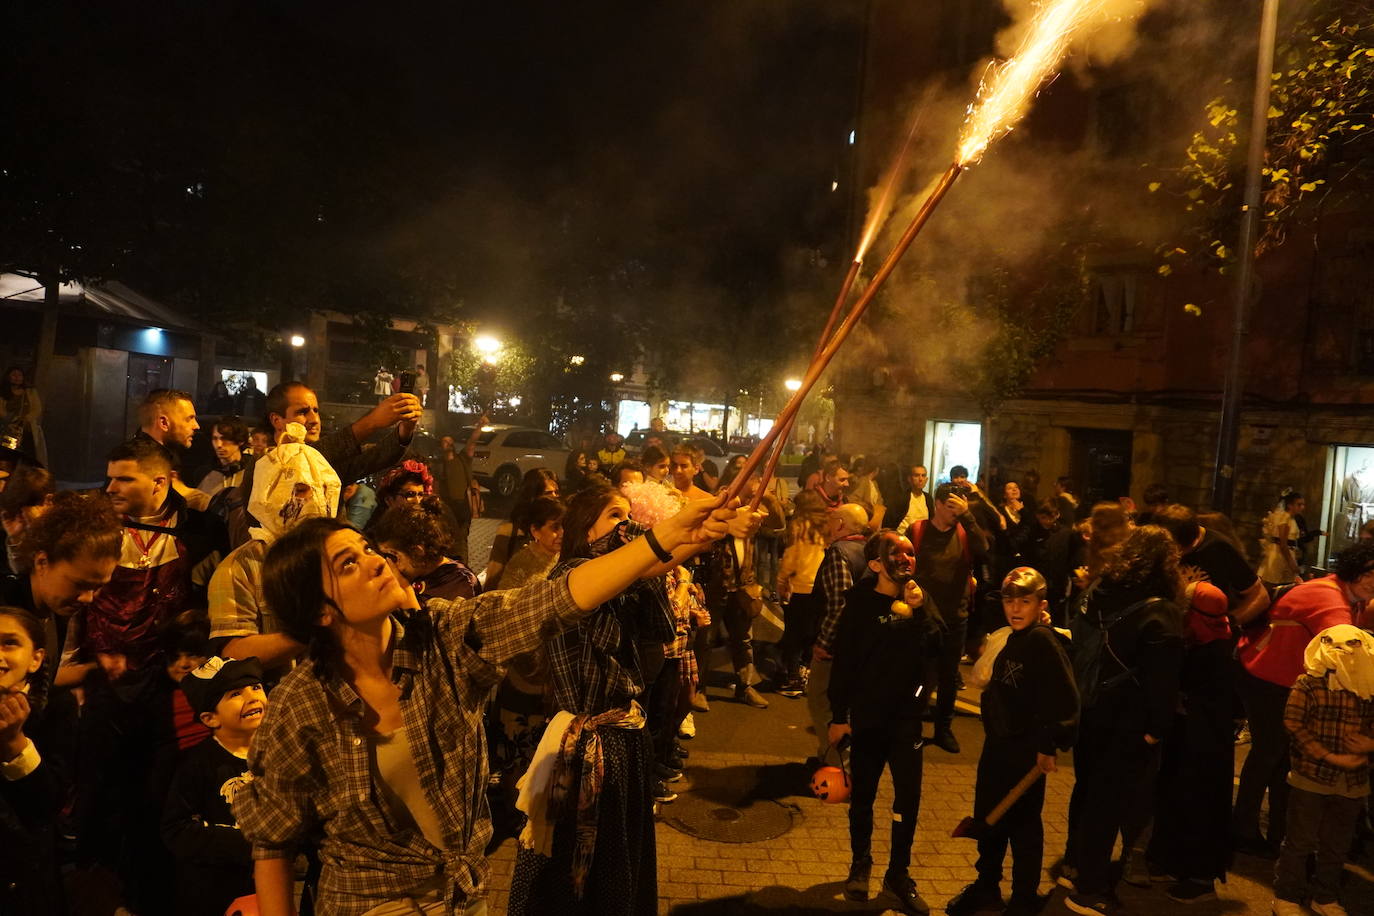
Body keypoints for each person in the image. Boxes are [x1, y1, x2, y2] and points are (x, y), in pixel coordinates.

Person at [232, 491, 733, 915]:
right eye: (349, 564)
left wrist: (668, 536)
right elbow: (274, 843)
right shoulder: (300, 706)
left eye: (367, 549)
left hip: (463, 896)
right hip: (370, 902)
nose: (376, 562)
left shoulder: (446, 640)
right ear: (320, 610)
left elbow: (553, 600)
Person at [506, 484, 736, 915]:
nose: (626, 525)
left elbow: (662, 632)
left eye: (631, 516)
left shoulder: (629, 578)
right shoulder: (571, 577)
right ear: (584, 525)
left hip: (625, 736)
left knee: (622, 857)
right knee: (577, 865)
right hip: (587, 745)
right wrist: (649, 554)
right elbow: (604, 621)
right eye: (614, 516)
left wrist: (682, 547)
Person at [1060, 525, 1184, 916]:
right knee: (1109, 803)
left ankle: (1073, 864)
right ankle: (1089, 889)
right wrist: (1155, 731)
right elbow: (1161, 681)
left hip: (1088, 706)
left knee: (1086, 789)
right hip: (1126, 719)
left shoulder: (1097, 591)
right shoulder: (1159, 610)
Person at [947, 567, 1078, 916]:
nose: (1016, 608)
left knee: (1023, 827)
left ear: (1041, 604)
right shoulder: (1014, 637)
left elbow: (1065, 700)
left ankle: (1023, 898)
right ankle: (986, 887)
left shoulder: (1043, 641)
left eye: (1025, 601)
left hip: (1025, 751)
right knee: (989, 818)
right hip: (998, 746)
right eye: (1010, 600)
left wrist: (1049, 744)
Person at [1233, 542, 1374, 857]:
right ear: (1355, 570)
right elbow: (1347, 649)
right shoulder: (1329, 597)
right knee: (1269, 751)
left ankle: (1278, 832)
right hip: (1265, 677)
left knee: (1282, 755)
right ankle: (1243, 829)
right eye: (1371, 573)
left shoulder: (1350, 596)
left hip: (1281, 677)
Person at [829, 530, 940, 915]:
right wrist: (838, 716)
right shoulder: (859, 604)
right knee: (863, 796)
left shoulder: (922, 598)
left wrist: (922, 608)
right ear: (876, 564)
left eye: (910, 553)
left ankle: (898, 873)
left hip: (907, 719)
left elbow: (941, 647)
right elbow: (843, 663)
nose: (906, 560)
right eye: (896, 554)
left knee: (907, 798)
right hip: (868, 717)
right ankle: (860, 864)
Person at [208, 423, 343, 680]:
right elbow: (233, 654)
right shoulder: (240, 568)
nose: (315, 501)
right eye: (302, 490)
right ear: (270, 492)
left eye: (323, 489)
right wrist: (320, 629)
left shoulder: (343, 554)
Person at [1270, 624, 1374, 916]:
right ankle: (1286, 895)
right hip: (1311, 777)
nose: (1345, 653)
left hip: (1353, 781)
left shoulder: (1369, 685)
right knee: (1299, 841)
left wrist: (1369, 744)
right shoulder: (1309, 683)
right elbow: (1294, 723)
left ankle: (1325, 896)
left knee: (1337, 844)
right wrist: (1328, 755)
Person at [1144, 578, 1235, 902]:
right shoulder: (1209, 641)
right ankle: (1176, 863)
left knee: (1199, 803)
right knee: (1178, 798)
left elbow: (1207, 699)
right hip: (1190, 740)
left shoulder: (1214, 651)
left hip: (1203, 746)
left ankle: (1199, 877)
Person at [162, 656, 267, 916]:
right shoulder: (198, 764)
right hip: (218, 891)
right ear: (210, 718)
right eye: (235, 694)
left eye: (256, 687)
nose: (252, 697)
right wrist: (248, 844)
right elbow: (177, 829)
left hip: (276, 883)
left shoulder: (280, 753)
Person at [1, 490, 122, 690]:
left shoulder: (55, 610)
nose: (88, 598)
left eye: (98, 587)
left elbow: (42, 685)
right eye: (79, 584)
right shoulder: (6, 610)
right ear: (42, 562)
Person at [0, 605, 77, 914]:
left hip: (24, 868)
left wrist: (14, 742)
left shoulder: (56, 708)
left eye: (9, 643)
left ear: (36, 658)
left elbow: (47, 802)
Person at [907, 482, 989, 754]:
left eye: (961, 507)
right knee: (921, 676)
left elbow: (984, 549)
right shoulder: (918, 531)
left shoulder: (965, 533)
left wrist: (968, 516)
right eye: (953, 506)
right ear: (939, 505)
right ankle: (913, 727)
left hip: (956, 616)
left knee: (948, 676)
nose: (957, 512)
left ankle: (944, 729)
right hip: (923, 617)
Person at [808, 503, 871, 762]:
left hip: (838, 645)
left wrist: (824, 642)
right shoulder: (869, 551)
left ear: (842, 524)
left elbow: (839, 603)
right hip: (862, 643)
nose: (828, 524)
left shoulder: (838, 552)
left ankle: (836, 765)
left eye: (832, 519)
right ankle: (829, 756)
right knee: (847, 703)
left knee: (820, 699)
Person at [374, 499, 481, 601]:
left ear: (417, 552)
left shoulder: (459, 581)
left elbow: (425, 618)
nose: (389, 564)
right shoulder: (419, 572)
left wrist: (402, 587)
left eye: (393, 557)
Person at [777, 489, 829, 698]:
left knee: (794, 634)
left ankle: (793, 679)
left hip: (800, 586)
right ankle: (807, 673)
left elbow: (792, 556)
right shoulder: (826, 525)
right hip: (821, 586)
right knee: (813, 633)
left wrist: (781, 580)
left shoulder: (798, 525)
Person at [484, 468, 560, 589]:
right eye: (548, 494)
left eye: (556, 492)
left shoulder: (561, 531)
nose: (554, 497)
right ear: (532, 496)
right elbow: (493, 578)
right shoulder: (510, 531)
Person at [137, 388, 209, 511]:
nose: (196, 426)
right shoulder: (137, 462)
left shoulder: (171, 453)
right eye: (189, 419)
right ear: (164, 423)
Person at [438, 421, 486, 565]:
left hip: (462, 508)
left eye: (449, 441)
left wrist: (479, 427)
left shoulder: (463, 458)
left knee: (460, 542)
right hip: (445, 509)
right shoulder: (440, 464)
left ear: (453, 443)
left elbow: (472, 442)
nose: (447, 444)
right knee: (444, 542)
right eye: (443, 442)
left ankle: (462, 570)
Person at [497, 496, 563, 590]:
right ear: (535, 531)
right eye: (555, 528)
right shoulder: (521, 564)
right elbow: (505, 599)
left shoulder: (566, 556)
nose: (562, 533)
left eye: (565, 526)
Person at [0, 464, 54, 574]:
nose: (24, 515)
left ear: (48, 501)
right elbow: (21, 572)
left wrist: (38, 528)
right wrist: (15, 537)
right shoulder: (23, 525)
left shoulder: (67, 526)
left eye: (32, 506)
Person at [2, 366, 47, 467]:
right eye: (14, 375)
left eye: (19, 375)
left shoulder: (30, 392)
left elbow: (37, 408)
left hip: (26, 429)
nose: (17, 377)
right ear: (8, 377)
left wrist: (25, 419)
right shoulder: (4, 392)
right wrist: (12, 419)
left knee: (28, 454)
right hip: (9, 429)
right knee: (9, 454)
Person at [1259, 492, 1304, 589]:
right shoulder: (1285, 518)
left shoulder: (1290, 518)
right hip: (1280, 555)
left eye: (1302, 504)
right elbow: (1283, 543)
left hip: (1285, 554)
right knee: (1271, 585)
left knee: (1281, 585)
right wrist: (1292, 563)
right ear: (1290, 505)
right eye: (1299, 504)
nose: (1302, 507)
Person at [198, 416, 251, 499]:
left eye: (225, 438)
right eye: (215, 438)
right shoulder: (204, 474)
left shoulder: (253, 471)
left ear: (240, 441)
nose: (218, 445)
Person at [886, 466, 933, 532]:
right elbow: (888, 524)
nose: (920, 479)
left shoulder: (928, 499)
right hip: (902, 538)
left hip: (922, 539)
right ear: (910, 479)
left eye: (923, 475)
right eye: (916, 475)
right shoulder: (900, 499)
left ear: (926, 479)